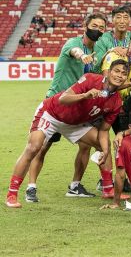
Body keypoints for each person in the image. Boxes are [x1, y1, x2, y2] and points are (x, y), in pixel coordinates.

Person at [6, 61, 130, 208]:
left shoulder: (116, 101)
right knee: (34, 147)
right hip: (51, 114)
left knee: (104, 145)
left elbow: (103, 130)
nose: (120, 75)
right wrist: (85, 95)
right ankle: (12, 195)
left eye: (124, 73)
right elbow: (63, 98)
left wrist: (104, 150)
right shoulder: (90, 79)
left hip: (75, 124)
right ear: (109, 72)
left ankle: (108, 189)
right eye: (117, 71)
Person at [25, 13, 108, 203]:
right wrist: (83, 56)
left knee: (85, 146)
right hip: (56, 104)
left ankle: (75, 186)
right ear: (85, 26)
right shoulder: (73, 43)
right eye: (94, 25)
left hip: (78, 106)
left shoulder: (96, 51)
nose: (98, 29)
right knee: (42, 147)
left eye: (102, 27)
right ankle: (31, 187)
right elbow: (75, 52)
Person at [100, 32, 131, 133]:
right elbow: (105, 87)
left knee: (126, 141)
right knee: (96, 141)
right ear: (129, 43)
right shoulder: (115, 56)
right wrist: (130, 83)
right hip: (103, 104)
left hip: (124, 109)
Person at [93, 5, 131, 72]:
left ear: (130, 21)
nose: (122, 21)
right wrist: (110, 51)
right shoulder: (102, 39)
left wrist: (130, 52)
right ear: (112, 20)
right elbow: (95, 66)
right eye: (118, 17)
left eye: (125, 18)